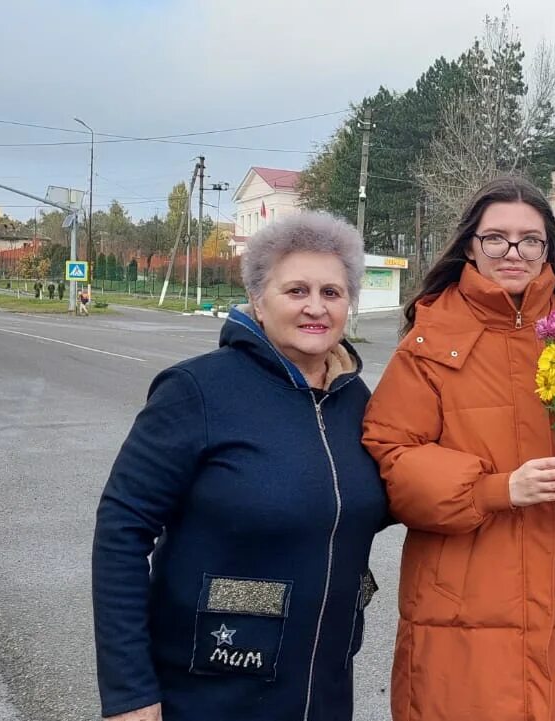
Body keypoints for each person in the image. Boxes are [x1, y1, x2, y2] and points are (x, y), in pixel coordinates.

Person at [362, 175, 555, 721]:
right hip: (459, 601)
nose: (513, 252)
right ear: (471, 244)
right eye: (496, 238)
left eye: (529, 239)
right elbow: (392, 457)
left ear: (547, 249)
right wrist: (498, 488)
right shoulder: (430, 338)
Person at [92, 212, 389, 721]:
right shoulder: (197, 391)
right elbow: (121, 531)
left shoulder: (356, 401)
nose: (315, 307)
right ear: (257, 299)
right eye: (296, 290)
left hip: (322, 686)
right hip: (211, 686)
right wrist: (130, 692)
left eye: (332, 293)